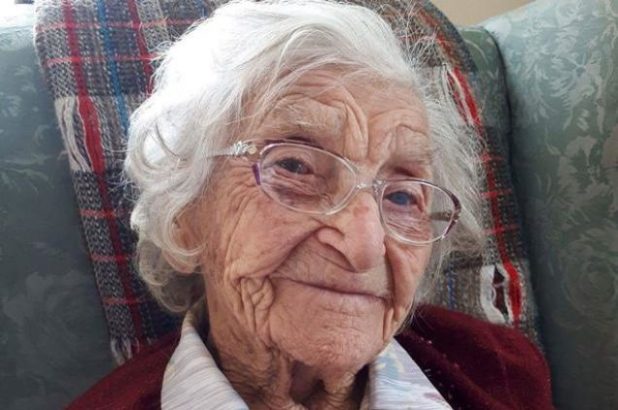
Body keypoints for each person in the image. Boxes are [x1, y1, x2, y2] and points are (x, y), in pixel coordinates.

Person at [69, 1, 553, 408]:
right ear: (184, 218)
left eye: (402, 196)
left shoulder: (502, 372)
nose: (364, 246)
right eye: (296, 167)